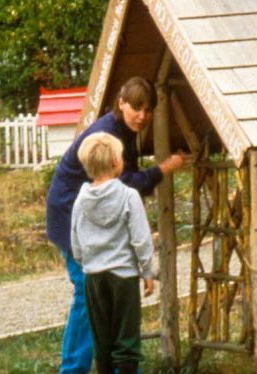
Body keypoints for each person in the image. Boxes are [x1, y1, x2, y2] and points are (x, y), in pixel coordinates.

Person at [45, 77, 185, 374]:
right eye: (136, 107)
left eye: (147, 110)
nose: (142, 116)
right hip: (70, 214)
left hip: (89, 217)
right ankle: (72, 370)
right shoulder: (108, 135)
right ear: (121, 103)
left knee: (99, 294)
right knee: (86, 291)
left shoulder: (123, 130)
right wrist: (164, 169)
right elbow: (127, 185)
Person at [70, 132, 155, 374]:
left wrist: (87, 262)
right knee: (126, 341)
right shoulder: (129, 196)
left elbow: (75, 241)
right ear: (116, 163)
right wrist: (147, 271)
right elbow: (141, 239)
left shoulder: (80, 200)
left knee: (102, 341)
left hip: (93, 277)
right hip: (124, 277)